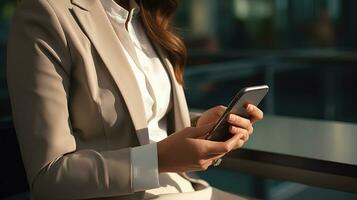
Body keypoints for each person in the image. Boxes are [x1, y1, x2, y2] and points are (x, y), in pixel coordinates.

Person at [6, 0, 263, 199]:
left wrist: (201, 128)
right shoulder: (46, 13)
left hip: (185, 188)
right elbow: (47, 179)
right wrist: (157, 160)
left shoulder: (147, 16)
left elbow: (149, 125)